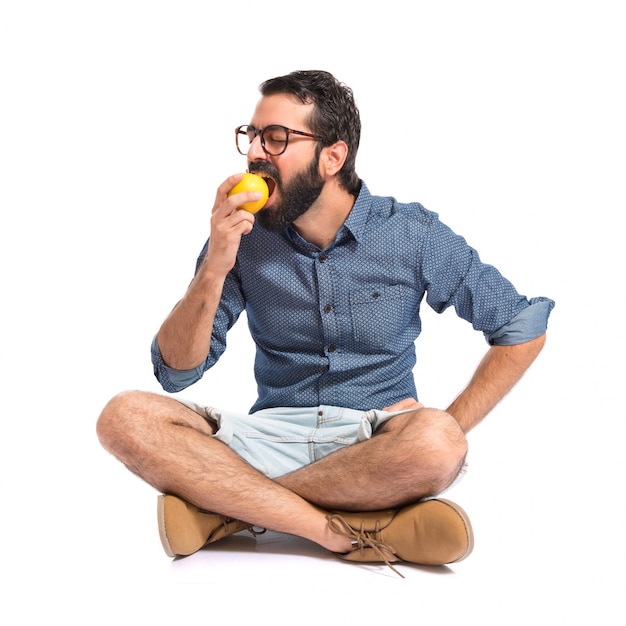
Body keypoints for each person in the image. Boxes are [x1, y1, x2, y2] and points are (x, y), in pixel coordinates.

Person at [97, 69, 554, 577]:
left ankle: (229, 511)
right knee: (124, 416)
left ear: (333, 157)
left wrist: (449, 422)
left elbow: (521, 325)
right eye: (252, 136)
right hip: (267, 436)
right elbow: (178, 371)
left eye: (277, 138)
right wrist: (217, 262)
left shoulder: (412, 233)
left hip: (373, 441)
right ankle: (344, 527)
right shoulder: (240, 237)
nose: (255, 153)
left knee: (440, 442)